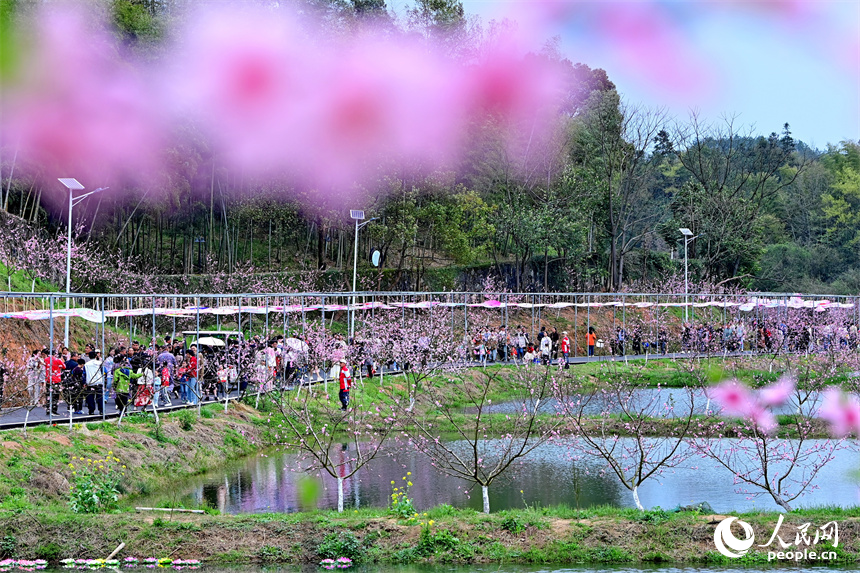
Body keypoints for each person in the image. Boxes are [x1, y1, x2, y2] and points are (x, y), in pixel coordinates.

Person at [43, 349, 64, 415]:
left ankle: (48, 409)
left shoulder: (46, 360)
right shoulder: (58, 360)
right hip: (56, 379)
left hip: (48, 379)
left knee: (48, 395)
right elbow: (64, 367)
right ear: (55, 354)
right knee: (55, 396)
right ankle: (54, 410)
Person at [84, 351, 105, 415]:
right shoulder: (100, 363)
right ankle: (101, 410)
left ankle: (91, 410)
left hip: (90, 382)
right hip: (98, 381)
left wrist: (84, 382)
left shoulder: (86, 364)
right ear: (96, 356)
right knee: (99, 397)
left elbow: (84, 374)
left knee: (90, 397)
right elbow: (104, 371)